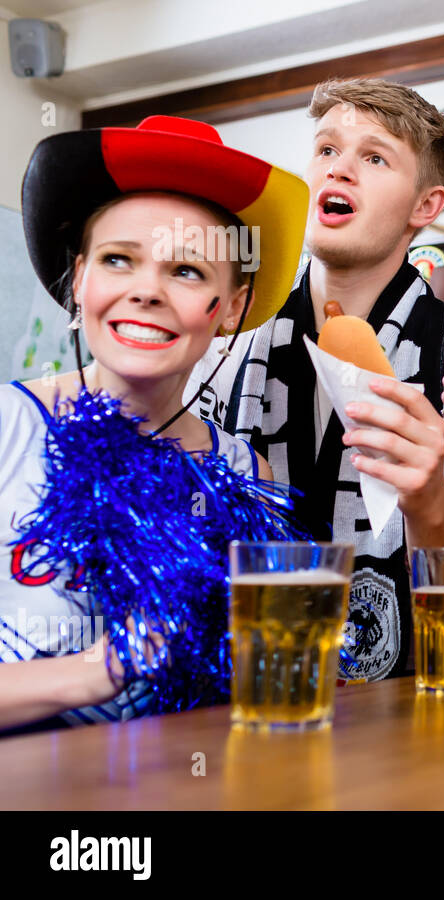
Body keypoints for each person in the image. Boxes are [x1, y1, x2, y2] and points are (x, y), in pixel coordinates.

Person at [185, 78, 444, 684]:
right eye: (327, 150)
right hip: (236, 692)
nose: (340, 169)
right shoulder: (226, 337)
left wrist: (427, 493)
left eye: (374, 157)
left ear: (426, 207)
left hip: (404, 710)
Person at [1, 116, 308, 732]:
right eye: (119, 260)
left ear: (234, 307)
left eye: (187, 271)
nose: (147, 290)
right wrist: (110, 665)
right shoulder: (9, 426)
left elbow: (271, 678)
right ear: (80, 280)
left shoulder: (249, 473)